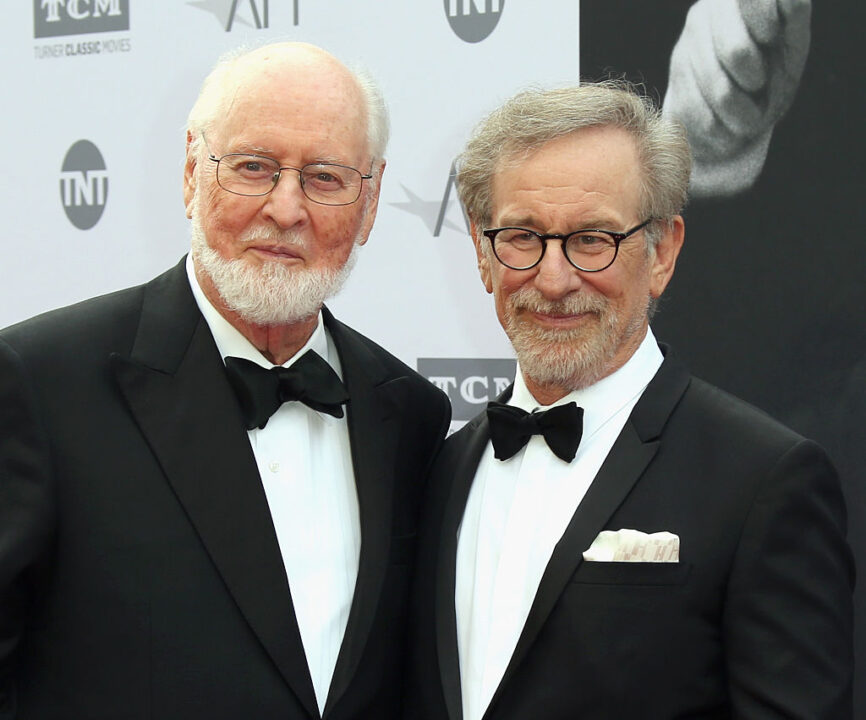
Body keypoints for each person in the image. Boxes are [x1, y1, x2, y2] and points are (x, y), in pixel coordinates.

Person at [0, 42, 449, 719]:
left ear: (371, 200)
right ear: (190, 172)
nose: (286, 209)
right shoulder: (39, 382)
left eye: (325, 178)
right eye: (253, 168)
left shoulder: (409, 414)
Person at [405, 81, 853, 719]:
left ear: (663, 251)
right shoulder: (440, 472)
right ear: (483, 252)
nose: (554, 279)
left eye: (593, 239)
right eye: (524, 238)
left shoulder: (763, 482)